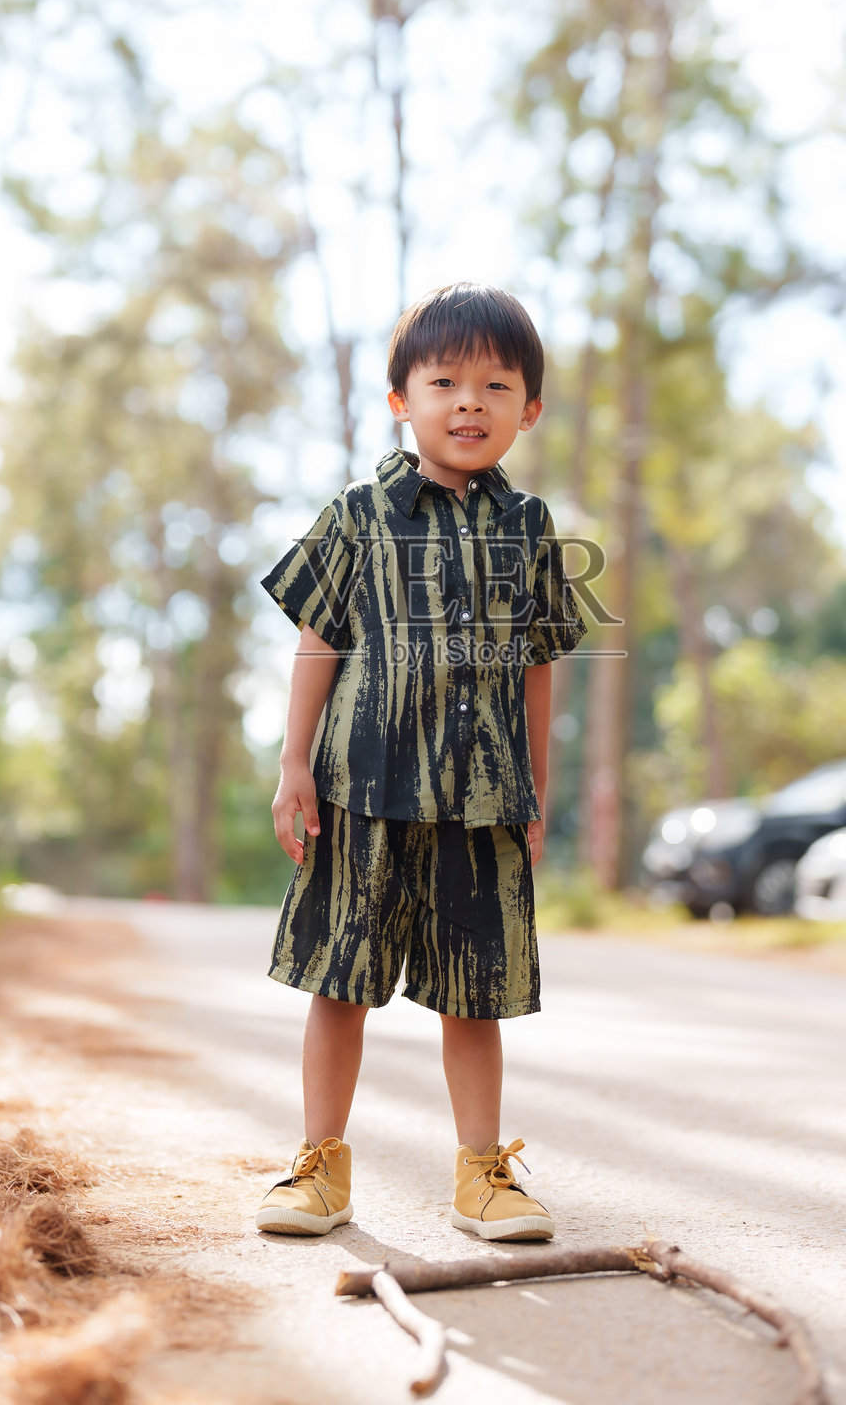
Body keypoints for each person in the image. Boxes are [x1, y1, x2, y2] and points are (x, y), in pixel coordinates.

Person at [254, 282, 588, 1241]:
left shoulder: (529, 531)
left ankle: (484, 1175)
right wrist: (294, 765)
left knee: (473, 995)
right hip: (359, 790)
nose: (469, 402)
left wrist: (535, 787)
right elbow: (318, 639)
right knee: (338, 984)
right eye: (443, 381)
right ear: (402, 399)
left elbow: (537, 665)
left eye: (495, 384)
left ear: (528, 409)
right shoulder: (359, 514)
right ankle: (318, 1167)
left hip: (482, 803)